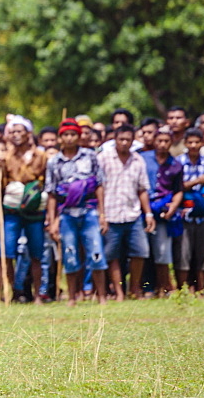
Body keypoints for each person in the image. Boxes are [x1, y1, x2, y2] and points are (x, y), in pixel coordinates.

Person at [46, 118, 107, 306]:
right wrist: (53, 220)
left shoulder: (90, 156)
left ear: (79, 137)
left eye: (73, 134)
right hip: (67, 215)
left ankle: (101, 296)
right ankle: (72, 297)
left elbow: (98, 185)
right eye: (66, 135)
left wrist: (102, 214)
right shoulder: (54, 162)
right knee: (70, 254)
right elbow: (52, 193)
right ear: (60, 138)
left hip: (89, 212)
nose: (70, 138)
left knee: (96, 253)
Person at [99, 124, 154, 300]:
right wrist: (101, 214)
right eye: (121, 139)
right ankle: (119, 291)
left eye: (128, 140)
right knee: (111, 254)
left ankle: (134, 288)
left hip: (133, 213)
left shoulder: (138, 160)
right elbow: (98, 187)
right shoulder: (103, 158)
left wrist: (148, 213)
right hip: (110, 213)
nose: (124, 143)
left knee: (141, 251)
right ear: (115, 139)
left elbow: (142, 189)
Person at [0, 115, 47, 303]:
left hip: (34, 211)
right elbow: (3, 184)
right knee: (8, 252)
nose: (16, 135)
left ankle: (37, 295)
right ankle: (10, 293)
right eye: (13, 132)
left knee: (36, 253)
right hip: (12, 212)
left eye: (20, 131)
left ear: (28, 134)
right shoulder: (6, 157)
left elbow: (44, 180)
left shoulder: (41, 156)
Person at [140, 126, 183, 296]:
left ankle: (164, 287)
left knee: (162, 252)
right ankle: (143, 288)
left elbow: (179, 190)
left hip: (164, 212)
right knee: (142, 251)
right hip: (142, 210)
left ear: (171, 142)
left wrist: (173, 206)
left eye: (166, 141)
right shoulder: (142, 159)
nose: (163, 144)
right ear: (154, 141)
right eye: (160, 141)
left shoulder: (176, 165)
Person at [175, 128, 204, 292]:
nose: (193, 145)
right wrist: (197, 181)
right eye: (190, 142)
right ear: (185, 143)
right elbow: (177, 187)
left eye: (197, 142)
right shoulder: (178, 162)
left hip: (203, 214)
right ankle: (183, 290)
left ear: (201, 144)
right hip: (185, 216)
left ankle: (200, 289)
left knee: (203, 254)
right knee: (183, 254)